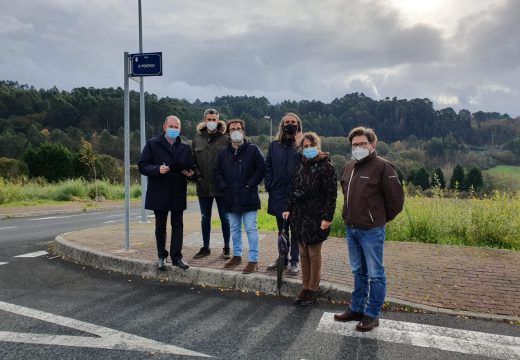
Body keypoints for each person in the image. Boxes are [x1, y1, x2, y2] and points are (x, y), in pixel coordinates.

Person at [334, 126, 404, 332]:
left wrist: (379, 219)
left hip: (371, 230)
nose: (358, 147)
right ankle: (356, 308)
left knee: (375, 274)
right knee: (359, 271)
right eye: (354, 144)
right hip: (352, 228)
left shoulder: (383, 167)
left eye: (362, 143)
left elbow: (396, 201)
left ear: (372, 145)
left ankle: (372, 314)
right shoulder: (348, 167)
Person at [282, 132, 337, 306]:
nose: (308, 149)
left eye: (311, 146)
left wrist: (327, 217)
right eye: (305, 147)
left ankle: (313, 289)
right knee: (303, 253)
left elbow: (331, 195)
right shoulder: (300, 166)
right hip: (299, 216)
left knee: (314, 253)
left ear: (318, 146)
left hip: (316, 216)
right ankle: (304, 287)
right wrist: (287, 208)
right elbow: (292, 190)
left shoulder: (326, 166)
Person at [138, 115, 195, 271]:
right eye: (171, 126)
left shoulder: (185, 146)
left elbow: (192, 169)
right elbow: (142, 166)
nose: (173, 130)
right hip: (159, 191)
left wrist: (191, 174)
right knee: (160, 226)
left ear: (180, 129)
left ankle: (177, 257)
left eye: (176, 128)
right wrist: (157, 169)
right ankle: (161, 256)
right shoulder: (152, 144)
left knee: (178, 225)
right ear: (164, 127)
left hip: (177, 190)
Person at [215, 119, 265, 274]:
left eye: (238, 128)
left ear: (243, 131)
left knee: (251, 228)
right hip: (230, 197)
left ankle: (253, 260)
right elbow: (218, 173)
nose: (235, 131)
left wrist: (250, 184)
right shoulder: (223, 153)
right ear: (228, 133)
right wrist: (224, 187)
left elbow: (261, 169)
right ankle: (237, 255)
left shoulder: (253, 150)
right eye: (232, 129)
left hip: (248, 197)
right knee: (235, 228)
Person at [265, 112, 303, 275]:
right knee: (282, 230)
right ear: (282, 125)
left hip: (296, 195)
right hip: (278, 194)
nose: (289, 124)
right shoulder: (275, 145)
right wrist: (269, 185)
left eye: (292, 122)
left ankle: (295, 260)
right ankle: (283, 258)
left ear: (298, 125)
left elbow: (309, 164)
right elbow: (268, 167)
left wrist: (301, 144)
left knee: (295, 230)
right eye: (287, 121)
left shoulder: (303, 145)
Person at [191, 109, 231, 260]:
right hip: (203, 186)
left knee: (225, 218)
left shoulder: (226, 139)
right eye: (209, 119)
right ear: (204, 120)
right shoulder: (197, 139)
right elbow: (192, 161)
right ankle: (205, 247)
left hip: (221, 187)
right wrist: (197, 176)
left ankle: (227, 247)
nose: (212, 122)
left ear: (218, 120)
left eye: (214, 119)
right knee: (205, 218)